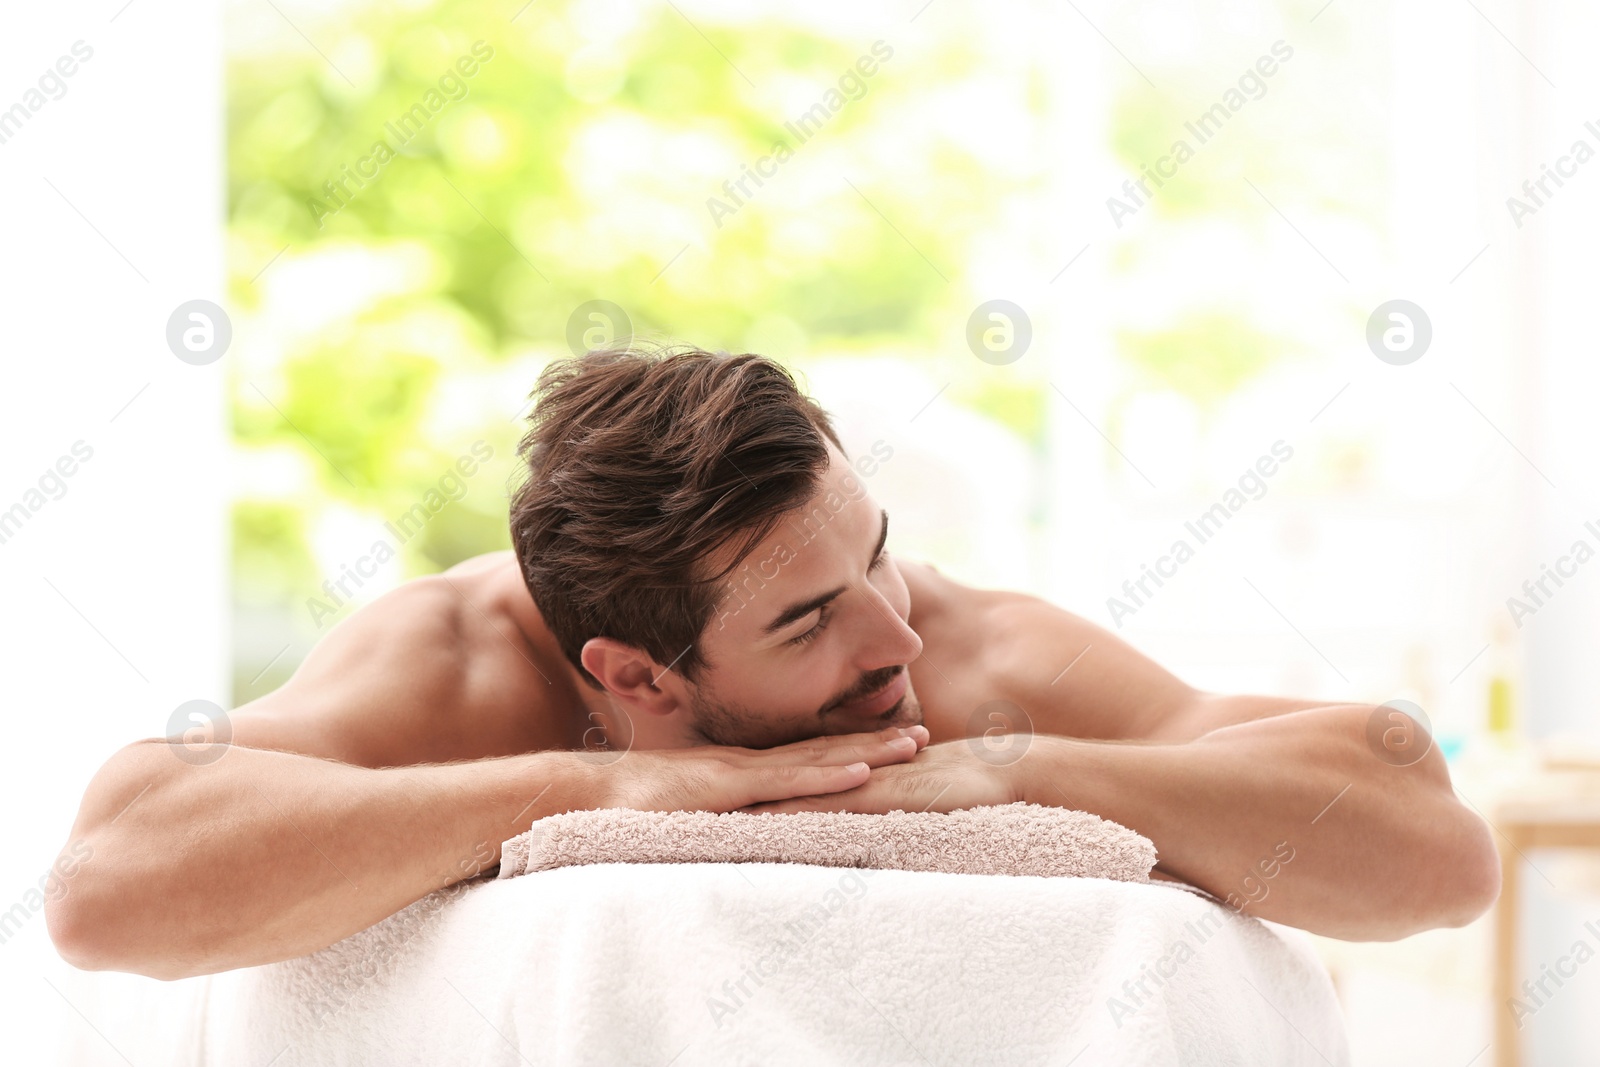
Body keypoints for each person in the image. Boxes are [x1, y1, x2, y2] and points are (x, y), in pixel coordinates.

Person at [45, 344, 1500, 980]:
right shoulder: (465, 669)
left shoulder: (954, 648)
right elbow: (110, 888)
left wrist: (1013, 770)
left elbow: (1430, 842)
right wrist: (594, 800)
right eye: (807, 623)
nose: (897, 638)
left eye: (874, 556)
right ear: (635, 676)